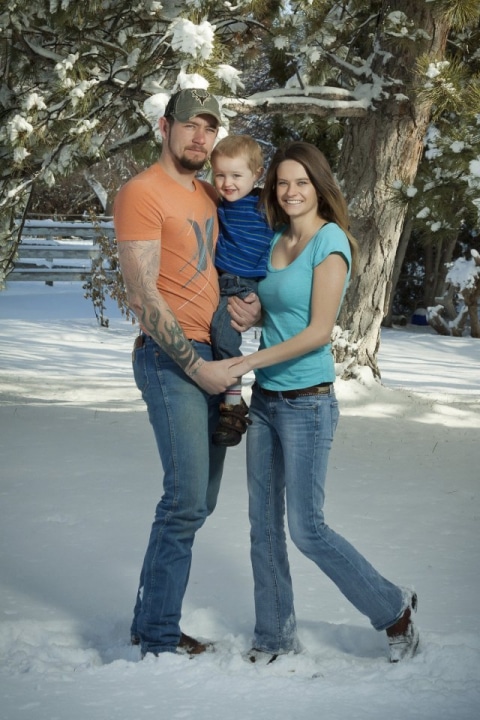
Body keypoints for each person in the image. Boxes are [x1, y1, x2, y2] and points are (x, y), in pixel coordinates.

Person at [229, 141, 419, 664]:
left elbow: (316, 332)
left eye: (301, 183)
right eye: (283, 183)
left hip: (307, 403)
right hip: (266, 402)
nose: (290, 192)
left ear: (319, 187)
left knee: (307, 528)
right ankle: (273, 636)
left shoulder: (330, 241)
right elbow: (283, 314)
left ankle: (394, 608)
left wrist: (247, 363)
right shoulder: (273, 240)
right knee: (262, 525)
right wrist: (252, 318)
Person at [113, 88, 260, 658]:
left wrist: (254, 310)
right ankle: (155, 636)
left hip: (216, 356)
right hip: (170, 358)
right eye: (190, 125)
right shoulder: (142, 192)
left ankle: (149, 620)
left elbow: (233, 268)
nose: (200, 137)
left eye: (210, 128)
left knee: (200, 501)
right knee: (183, 500)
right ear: (164, 126)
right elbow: (143, 294)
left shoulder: (209, 193)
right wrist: (198, 368)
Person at [209, 135, 274, 446]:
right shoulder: (218, 204)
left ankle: (233, 401)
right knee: (219, 336)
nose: (227, 183)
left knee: (223, 333)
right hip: (223, 279)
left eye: (236, 175)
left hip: (245, 284)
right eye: (220, 174)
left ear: (257, 174)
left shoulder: (266, 205)